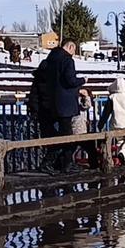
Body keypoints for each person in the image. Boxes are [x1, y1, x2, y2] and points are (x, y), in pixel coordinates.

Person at [33, 40, 87, 174]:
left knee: (61, 135)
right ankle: (60, 163)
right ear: (70, 46)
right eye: (74, 50)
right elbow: (70, 80)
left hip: (52, 104)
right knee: (67, 136)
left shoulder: (51, 60)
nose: (74, 54)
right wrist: (82, 81)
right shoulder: (67, 60)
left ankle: (61, 163)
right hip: (66, 105)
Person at [98, 77, 125, 166]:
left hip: (115, 123)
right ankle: (122, 154)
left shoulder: (112, 97)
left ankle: (121, 159)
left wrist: (101, 124)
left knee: (119, 141)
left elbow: (106, 112)